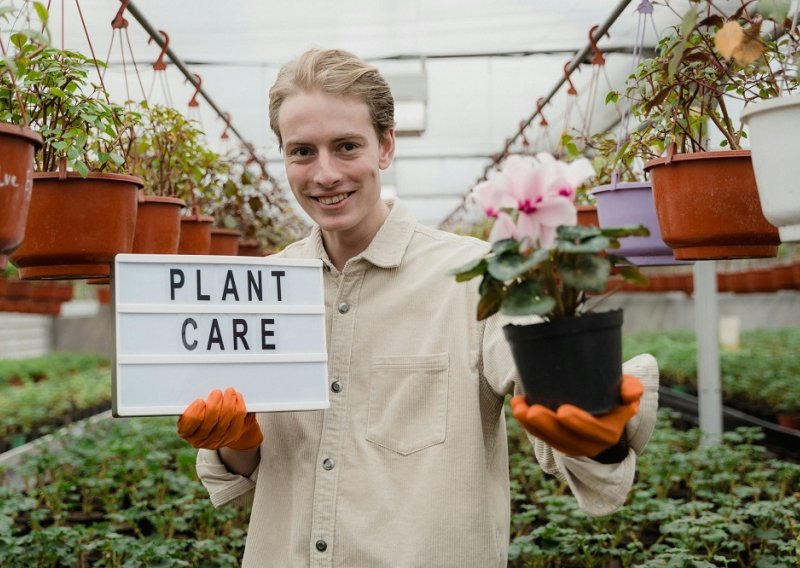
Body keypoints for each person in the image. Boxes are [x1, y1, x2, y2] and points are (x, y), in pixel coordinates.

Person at [176, 48, 659, 567]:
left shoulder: (476, 278)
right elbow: (249, 471)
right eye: (301, 152)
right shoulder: (260, 288)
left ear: (385, 146)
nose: (324, 174)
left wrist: (595, 432)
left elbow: (564, 424)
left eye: (346, 146)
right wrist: (236, 441)